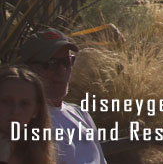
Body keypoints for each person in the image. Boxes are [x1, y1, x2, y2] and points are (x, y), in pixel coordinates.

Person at [19, 28, 106, 163]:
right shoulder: (24, 120)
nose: (61, 71)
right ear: (27, 69)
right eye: (51, 64)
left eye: (66, 62)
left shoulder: (80, 114)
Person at [0, 65, 54, 164]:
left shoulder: (37, 154)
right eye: (6, 101)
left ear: (35, 111)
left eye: (24, 104)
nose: (15, 111)